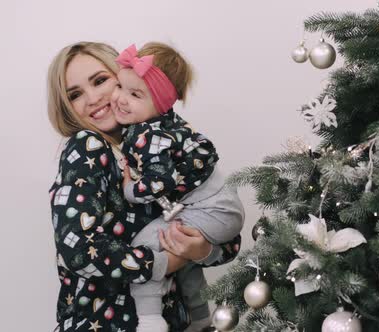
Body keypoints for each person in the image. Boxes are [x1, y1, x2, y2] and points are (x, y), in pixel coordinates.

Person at [47, 42, 241, 332]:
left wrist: (201, 250)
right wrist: (164, 263)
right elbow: (78, 249)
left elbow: (218, 225)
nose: (93, 98)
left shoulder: (155, 142)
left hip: (172, 320)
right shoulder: (86, 147)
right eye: (75, 95)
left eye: (100, 81)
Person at [111, 42, 244, 332]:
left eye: (135, 94)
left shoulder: (151, 135)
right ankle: (200, 318)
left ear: (160, 103)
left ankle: (149, 320)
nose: (120, 99)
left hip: (214, 209)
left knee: (144, 244)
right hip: (221, 205)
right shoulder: (165, 126)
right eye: (120, 86)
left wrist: (129, 189)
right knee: (183, 257)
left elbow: (161, 182)